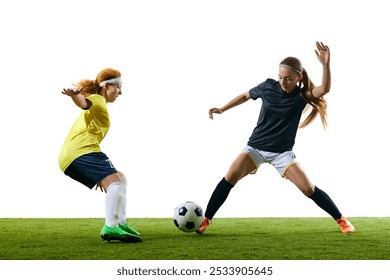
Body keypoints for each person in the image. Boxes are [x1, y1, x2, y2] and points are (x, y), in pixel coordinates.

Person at [197, 41, 355, 235]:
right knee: (230, 177)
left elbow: (324, 89)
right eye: (280, 77)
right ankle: (206, 219)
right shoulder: (267, 86)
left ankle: (341, 220)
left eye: (288, 78)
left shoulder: (302, 95)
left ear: (298, 77)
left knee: (308, 189)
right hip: (255, 147)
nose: (282, 81)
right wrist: (222, 108)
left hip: (282, 153)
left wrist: (325, 65)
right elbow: (245, 96)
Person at [58, 68, 142, 243]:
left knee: (121, 179)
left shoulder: (100, 102)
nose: (121, 92)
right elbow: (83, 103)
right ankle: (111, 226)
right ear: (106, 87)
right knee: (116, 184)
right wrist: (74, 95)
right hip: (82, 151)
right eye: (118, 87)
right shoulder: (98, 99)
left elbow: (84, 104)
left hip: (73, 155)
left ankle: (120, 223)